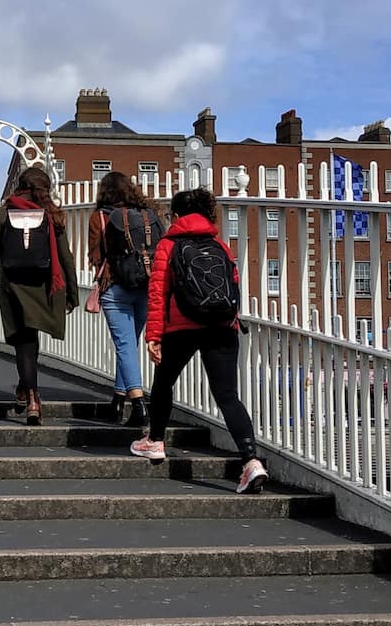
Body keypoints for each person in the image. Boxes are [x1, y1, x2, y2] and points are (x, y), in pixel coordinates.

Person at [131, 186, 268, 494]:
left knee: (164, 383)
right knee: (227, 396)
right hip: (222, 327)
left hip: (182, 327)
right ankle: (251, 461)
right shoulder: (218, 243)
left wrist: (154, 336)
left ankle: (155, 441)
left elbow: (157, 293)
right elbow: (231, 286)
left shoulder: (168, 245)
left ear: (176, 215)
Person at [0, 167, 79, 425]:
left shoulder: (3, 213)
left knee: (23, 341)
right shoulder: (51, 215)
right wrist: (71, 291)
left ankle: (31, 395)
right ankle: (28, 390)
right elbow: (65, 256)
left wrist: (12, 257)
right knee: (31, 341)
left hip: (13, 284)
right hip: (43, 284)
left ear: (20, 185)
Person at [88, 171, 165, 428]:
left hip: (116, 287)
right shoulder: (147, 215)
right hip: (146, 284)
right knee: (129, 344)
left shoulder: (100, 217)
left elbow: (96, 256)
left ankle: (138, 404)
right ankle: (118, 400)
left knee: (125, 346)